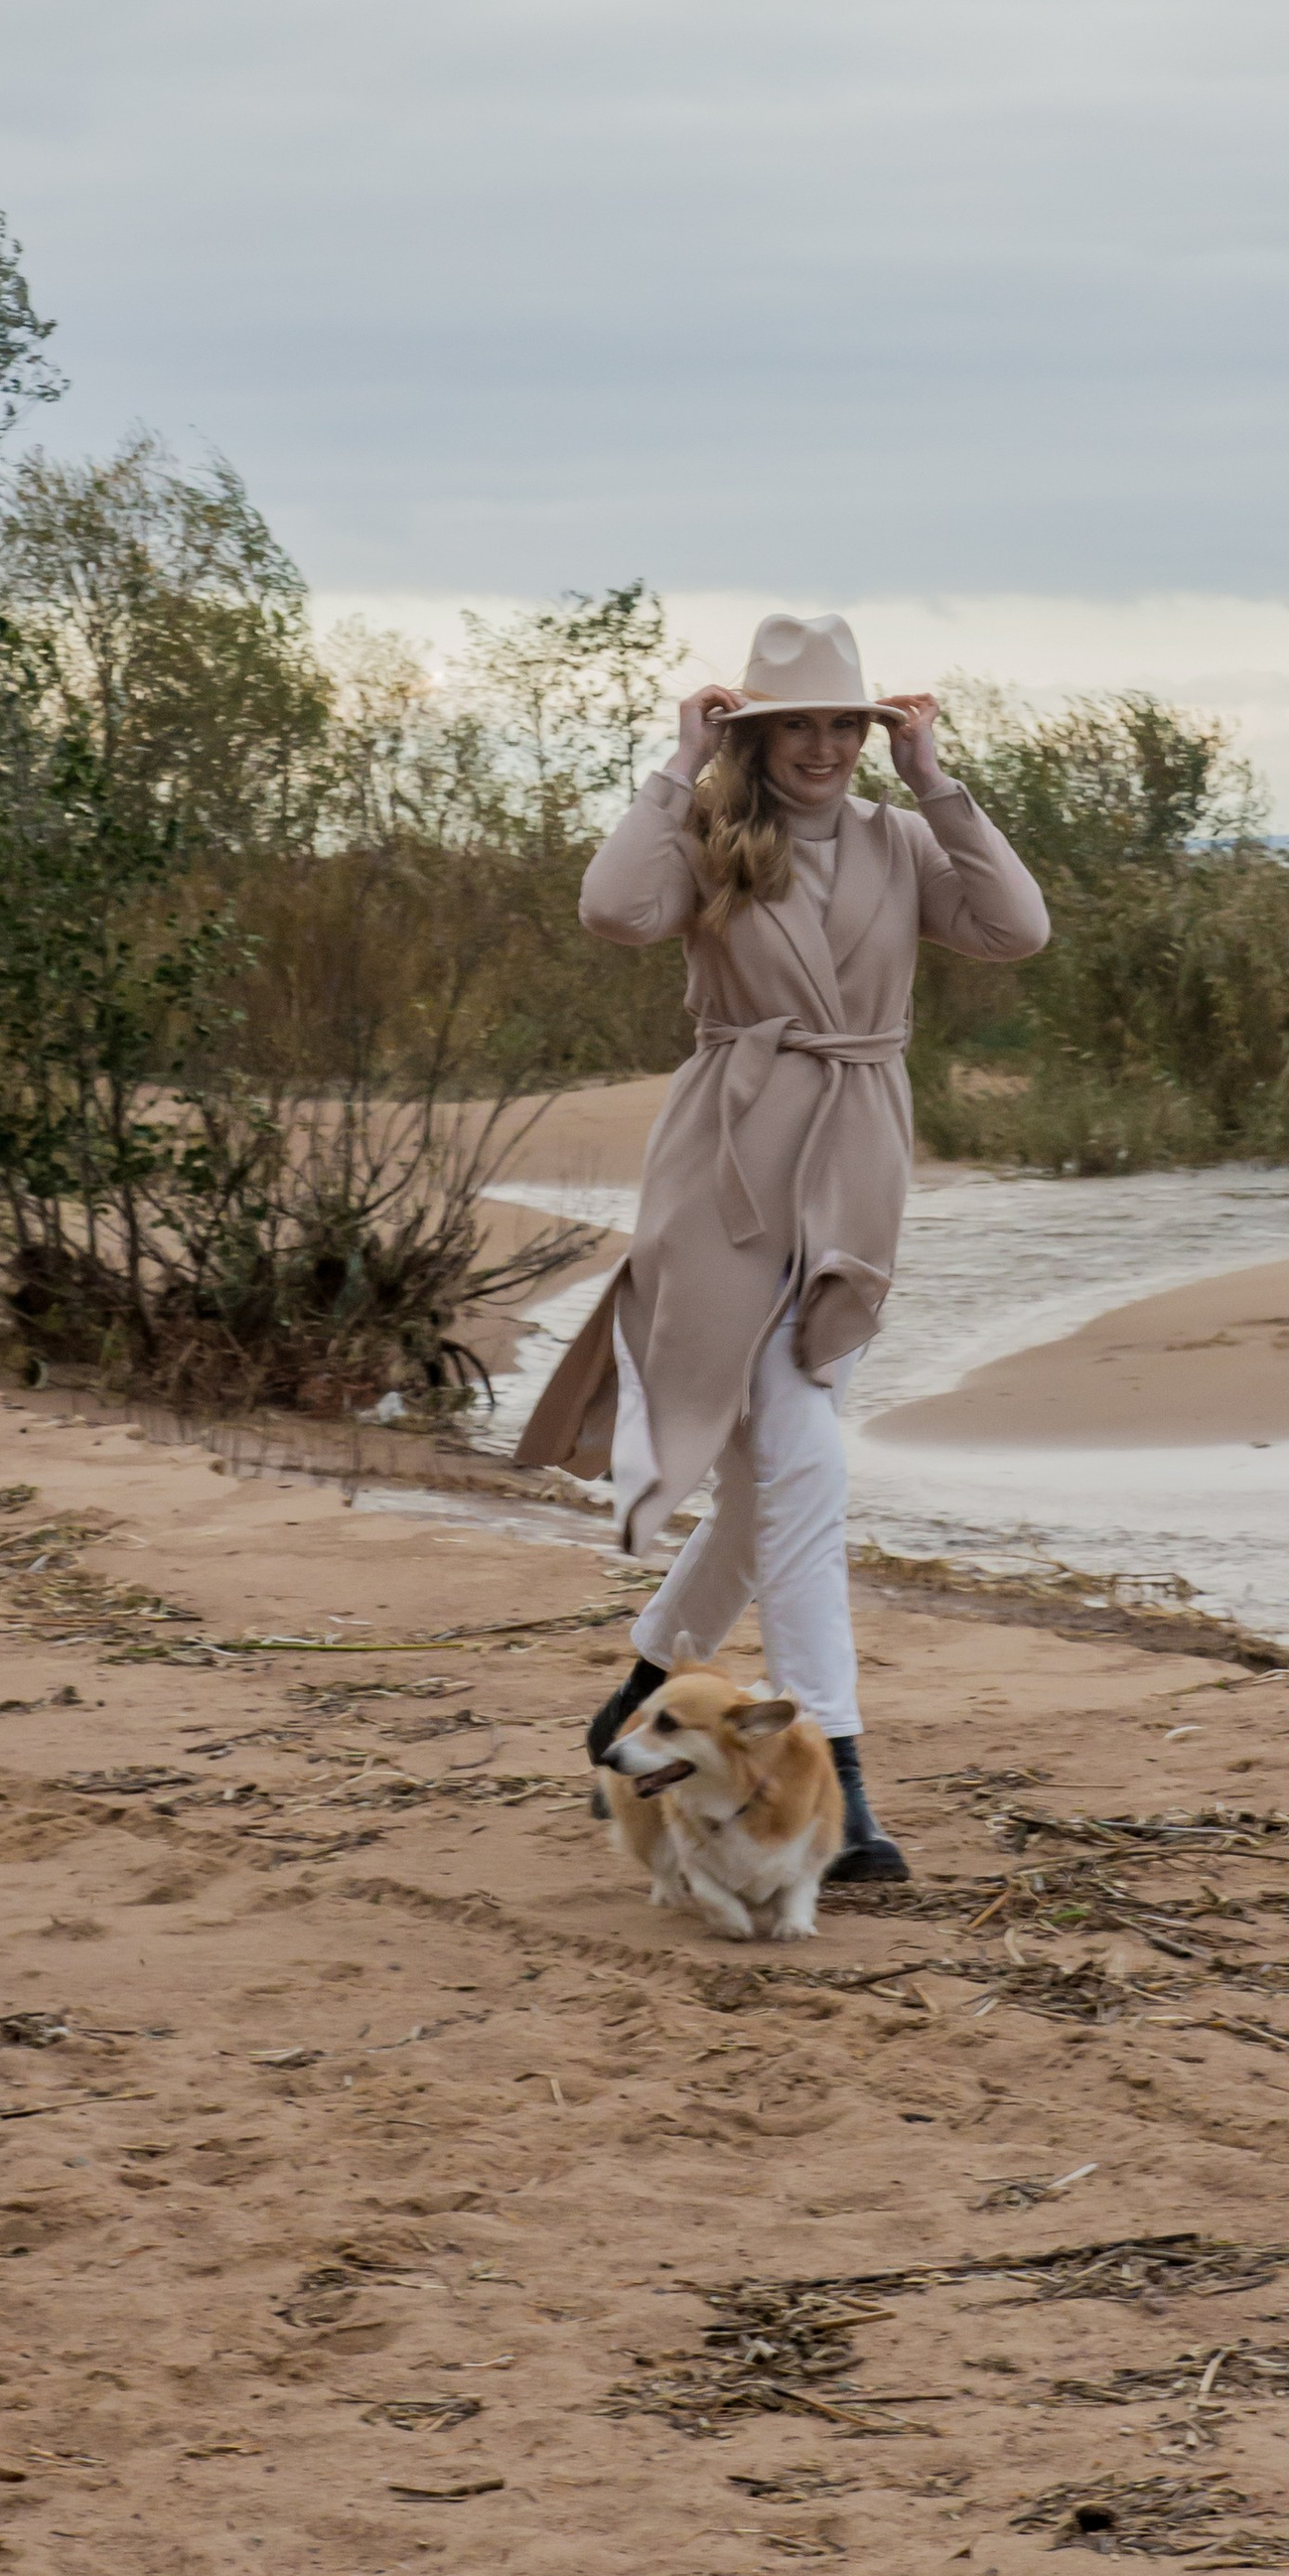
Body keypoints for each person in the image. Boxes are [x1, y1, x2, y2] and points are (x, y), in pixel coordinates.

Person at [518, 614, 1050, 1881]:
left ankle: (637, 1699)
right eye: (792, 725)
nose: (819, 749)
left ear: (869, 735)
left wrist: (938, 783)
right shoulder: (709, 839)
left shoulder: (902, 839)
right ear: (751, 735)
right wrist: (672, 765)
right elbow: (612, 911)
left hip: (856, 1167)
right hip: (726, 1169)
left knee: (768, 1486)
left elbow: (1018, 930)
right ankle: (845, 1789)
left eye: (841, 726)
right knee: (803, 1466)